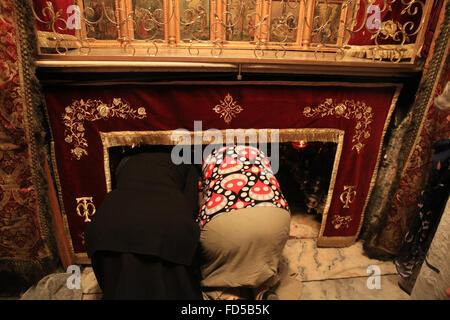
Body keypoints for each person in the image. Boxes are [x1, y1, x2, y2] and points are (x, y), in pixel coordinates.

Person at [84, 147, 203, 300]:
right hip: (167, 222)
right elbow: (191, 206)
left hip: (107, 223)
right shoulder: (187, 159)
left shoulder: (124, 160)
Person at [197, 145, 291, 300]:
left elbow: (200, 203)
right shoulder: (259, 153)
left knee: (222, 265)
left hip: (224, 225)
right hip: (276, 216)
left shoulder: (207, 156)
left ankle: (229, 296)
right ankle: (263, 291)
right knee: (262, 256)